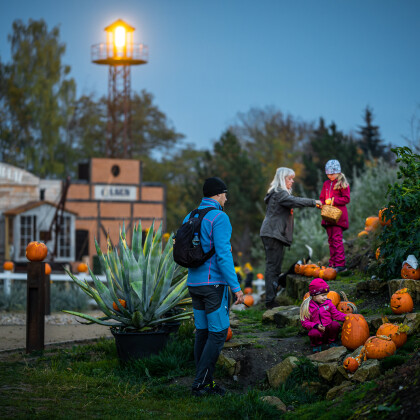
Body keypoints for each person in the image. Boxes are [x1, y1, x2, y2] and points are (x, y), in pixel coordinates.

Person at [185, 177, 244, 397]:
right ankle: (199, 383)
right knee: (218, 333)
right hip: (213, 286)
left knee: (202, 332)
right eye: (225, 194)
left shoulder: (190, 216)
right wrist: (236, 287)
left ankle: (205, 382)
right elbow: (223, 255)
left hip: (194, 284)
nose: (226, 198)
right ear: (218, 195)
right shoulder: (219, 217)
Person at [260, 167, 322, 309]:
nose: (292, 181)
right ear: (282, 179)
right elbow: (295, 201)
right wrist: (314, 202)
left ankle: (272, 298)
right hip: (272, 234)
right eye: (290, 178)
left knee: (274, 267)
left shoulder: (276, 194)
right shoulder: (279, 194)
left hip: (272, 233)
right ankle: (270, 301)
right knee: (272, 268)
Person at [300, 278, 347, 353]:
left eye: (326, 295)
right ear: (314, 296)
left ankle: (332, 341)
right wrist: (316, 325)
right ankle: (316, 345)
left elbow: (336, 314)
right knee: (313, 333)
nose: (325, 297)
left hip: (328, 330)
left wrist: (346, 317)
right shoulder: (308, 307)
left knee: (335, 325)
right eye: (323, 295)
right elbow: (304, 322)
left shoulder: (328, 303)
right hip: (318, 330)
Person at [319, 159, 350, 273]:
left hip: (338, 216)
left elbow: (346, 198)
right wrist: (322, 203)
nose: (330, 176)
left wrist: (333, 200)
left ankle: (340, 264)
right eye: (328, 174)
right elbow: (322, 197)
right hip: (328, 216)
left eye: (332, 174)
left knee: (337, 239)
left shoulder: (342, 184)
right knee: (331, 240)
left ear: (337, 172)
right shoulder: (326, 184)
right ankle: (332, 263)